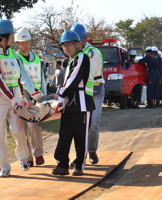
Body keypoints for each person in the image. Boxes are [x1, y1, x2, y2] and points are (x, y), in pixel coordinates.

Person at [0, 20, 31, 178]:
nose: (12, 38)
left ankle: (23, 158)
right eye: (11, 35)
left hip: (16, 99)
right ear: (4, 37)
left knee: (18, 131)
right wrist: (12, 98)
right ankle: (4, 167)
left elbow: (17, 77)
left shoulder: (13, 54)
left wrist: (21, 96)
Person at [52, 30, 95, 176]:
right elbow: (68, 81)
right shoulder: (71, 60)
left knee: (80, 136)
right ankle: (62, 164)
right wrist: (62, 99)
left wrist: (61, 95)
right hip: (70, 103)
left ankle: (78, 165)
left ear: (78, 44)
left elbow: (73, 79)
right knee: (64, 134)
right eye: (64, 45)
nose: (66, 47)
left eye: (69, 44)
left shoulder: (82, 57)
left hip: (82, 103)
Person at [71, 23, 104, 164]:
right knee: (79, 124)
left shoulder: (92, 53)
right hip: (80, 90)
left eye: (78, 40)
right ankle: (81, 154)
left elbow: (83, 73)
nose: (76, 43)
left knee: (92, 123)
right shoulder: (74, 54)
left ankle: (92, 150)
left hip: (95, 89)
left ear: (84, 39)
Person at [14, 28, 47, 166]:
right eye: (23, 43)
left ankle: (38, 153)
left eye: (27, 42)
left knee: (34, 124)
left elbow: (42, 77)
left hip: (37, 93)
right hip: (23, 94)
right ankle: (28, 156)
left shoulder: (36, 58)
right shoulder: (16, 58)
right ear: (18, 44)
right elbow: (24, 77)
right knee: (22, 126)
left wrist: (43, 95)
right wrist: (34, 93)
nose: (26, 45)